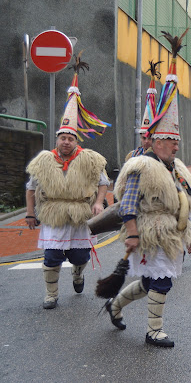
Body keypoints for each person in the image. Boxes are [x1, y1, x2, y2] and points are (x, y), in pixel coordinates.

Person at [103, 31, 191, 348]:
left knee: (149, 282)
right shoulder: (140, 167)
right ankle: (153, 330)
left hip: (171, 233)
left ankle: (114, 306)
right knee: (162, 282)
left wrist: (189, 234)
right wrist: (131, 233)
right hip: (150, 233)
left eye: (177, 141)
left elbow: (183, 203)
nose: (175, 145)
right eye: (170, 141)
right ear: (155, 141)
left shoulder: (177, 168)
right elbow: (127, 205)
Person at [25, 55, 110, 310]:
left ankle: (78, 273)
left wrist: (97, 203)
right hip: (52, 214)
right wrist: (30, 214)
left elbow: (104, 182)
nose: (65, 142)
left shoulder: (89, 159)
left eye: (70, 138)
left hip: (80, 215)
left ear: (76, 141)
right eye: (62, 137)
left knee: (79, 255)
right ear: (57, 138)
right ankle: (51, 294)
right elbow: (31, 188)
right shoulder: (43, 160)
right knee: (51, 257)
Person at [125, 61, 159, 162]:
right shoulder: (133, 155)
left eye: (149, 138)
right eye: (144, 138)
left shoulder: (160, 156)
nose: (146, 142)